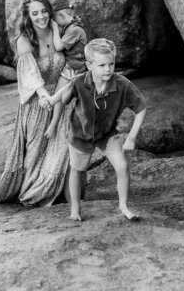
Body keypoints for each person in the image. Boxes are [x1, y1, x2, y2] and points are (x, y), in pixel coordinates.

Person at [44, 38, 147, 221]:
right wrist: (51, 100)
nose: (108, 69)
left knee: (122, 166)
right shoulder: (80, 81)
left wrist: (131, 137)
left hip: (107, 134)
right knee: (77, 169)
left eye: (111, 64)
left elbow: (141, 108)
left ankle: (123, 205)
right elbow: (66, 90)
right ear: (89, 65)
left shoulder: (122, 84)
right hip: (80, 133)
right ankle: (75, 208)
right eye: (102, 65)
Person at [0, 0, 73, 206]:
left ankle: (56, 190)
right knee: (36, 152)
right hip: (37, 103)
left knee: (61, 147)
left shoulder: (59, 31)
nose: (41, 16)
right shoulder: (24, 40)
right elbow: (30, 74)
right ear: (27, 15)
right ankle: (32, 193)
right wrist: (44, 95)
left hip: (60, 98)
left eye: (44, 11)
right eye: (35, 13)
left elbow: (72, 62)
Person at [51, 0, 87, 83]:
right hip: (72, 66)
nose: (54, 21)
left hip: (73, 69)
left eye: (54, 19)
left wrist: (55, 27)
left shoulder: (73, 30)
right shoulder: (70, 28)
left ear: (62, 16)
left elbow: (59, 47)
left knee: (59, 95)